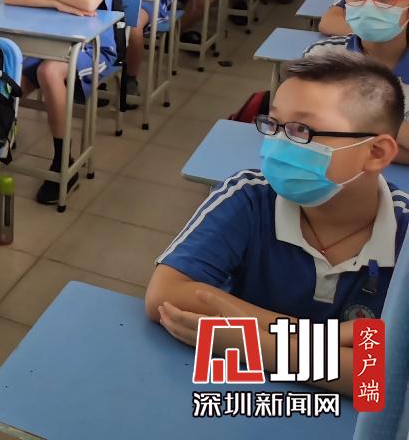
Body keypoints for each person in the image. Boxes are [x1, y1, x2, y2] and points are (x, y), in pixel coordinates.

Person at [146, 52, 409, 396]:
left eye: (302, 131)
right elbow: (165, 295)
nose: (278, 144)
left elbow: (393, 379)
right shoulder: (250, 195)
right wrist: (328, 341)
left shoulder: (403, 233)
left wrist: (255, 343)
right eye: (273, 125)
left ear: (375, 153)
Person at [4, 0, 115, 205]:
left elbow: (90, 3)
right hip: (48, 44)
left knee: (49, 70)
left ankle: (63, 158)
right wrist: (57, 2)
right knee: (9, 76)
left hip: (93, 50)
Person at [304, 0, 409, 163]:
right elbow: (306, 134)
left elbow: (330, 139)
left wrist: (361, 121)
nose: (368, 5)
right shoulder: (322, 57)